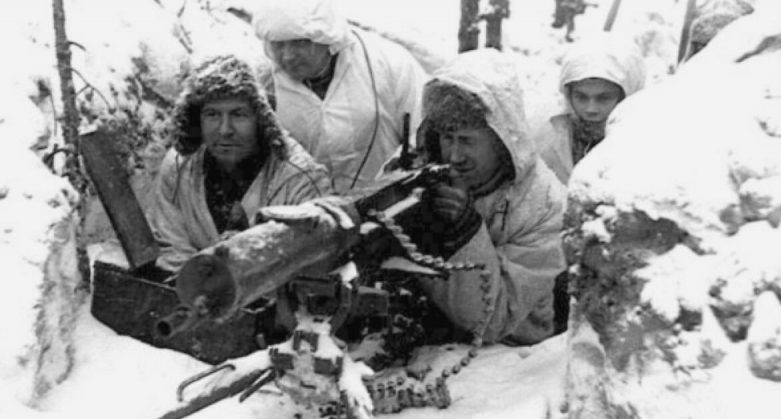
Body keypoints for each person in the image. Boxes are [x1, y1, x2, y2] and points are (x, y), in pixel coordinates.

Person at [395, 48, 567, 346]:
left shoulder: (545, 205)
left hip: (512, 353)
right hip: (421, 337)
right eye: (447, 139)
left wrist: (463, 232)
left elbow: (493, 320)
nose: (454, 155)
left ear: (501, 141)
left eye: (467, 141)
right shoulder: (417, 167)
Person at [151, 55, 332, 272]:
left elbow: (314, 261)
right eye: (212, 114)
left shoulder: (299, 178)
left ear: (262, 119)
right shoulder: (179, 166)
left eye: (239, 114)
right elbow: (170, 246)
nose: (225, 129)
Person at [251, 0, 427, 194]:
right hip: (304, 211)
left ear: (327, 38)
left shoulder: (389, 63)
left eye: (299, 43)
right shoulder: (262, 81)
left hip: (386, 200)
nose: (288, 56)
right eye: (278, 45)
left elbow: (423, 130)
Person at [531, 33, 646, 185]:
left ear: (626, 96)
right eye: (581, 97)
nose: (591, 109)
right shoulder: (543, 132)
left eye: (603, 98)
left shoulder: (646, 140)